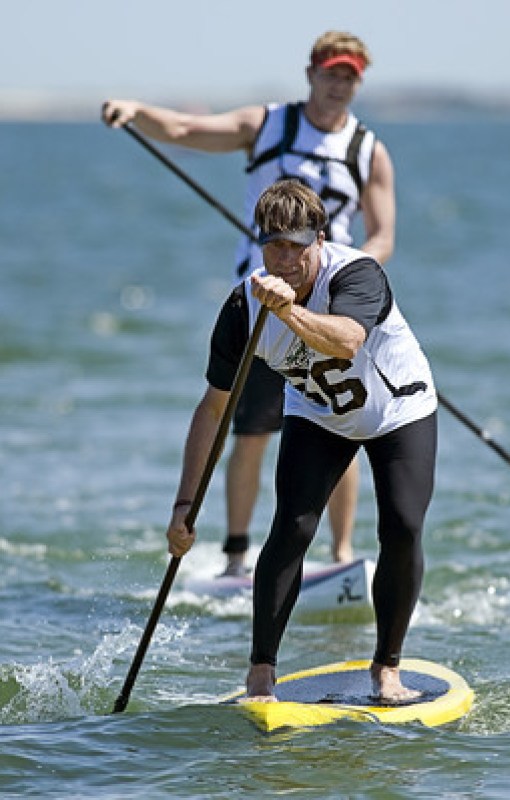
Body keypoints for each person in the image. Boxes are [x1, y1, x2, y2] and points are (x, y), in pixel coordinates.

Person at [101, 30, 395, 575]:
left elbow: (382, 238)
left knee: (341, 419)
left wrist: (352, 280)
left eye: (350, 76)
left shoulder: (368, 151)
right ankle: (236, 558)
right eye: (331, 73)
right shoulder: (269, 125)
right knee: (253, 430)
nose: (339, 85)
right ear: (311, 74)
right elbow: (187, 129)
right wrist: (135, 110)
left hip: (330, 309)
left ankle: (341, 557)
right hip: (262, 307)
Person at [166, 180, 437, 702]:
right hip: (319, 413)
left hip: (398, 411)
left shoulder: (359, 273)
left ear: (320, 239)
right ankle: (261, 672)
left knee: (402, 525)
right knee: (291, 528)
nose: (284, 259)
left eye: (296, 245)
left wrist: (288, 311)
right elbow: (213, 408)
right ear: (259, 243)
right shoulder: (243, 308)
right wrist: (182, 505)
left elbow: (347, 338)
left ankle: (387, 668)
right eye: (273, 245)